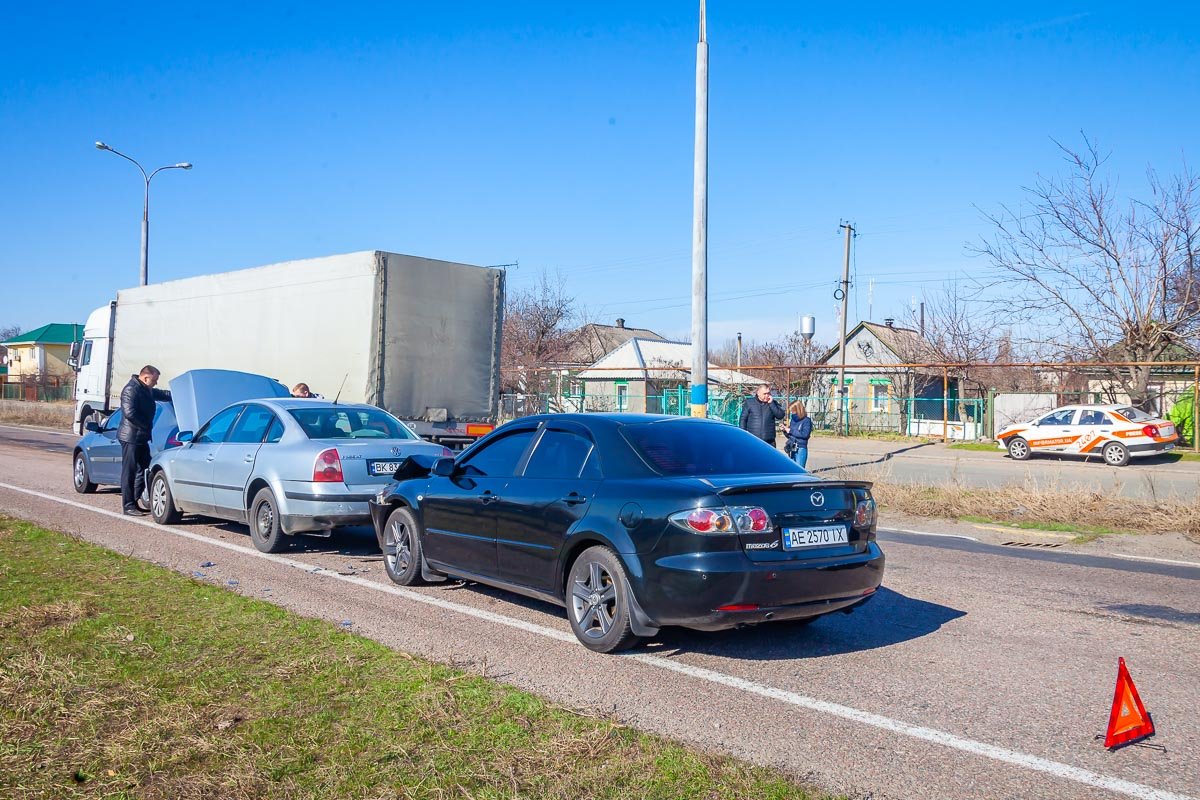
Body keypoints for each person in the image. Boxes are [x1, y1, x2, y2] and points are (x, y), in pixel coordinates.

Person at [118, 365, 172, 516]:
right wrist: (146, 425)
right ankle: (128, 505)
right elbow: (130, 413)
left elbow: (162, 394)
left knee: (145, 468)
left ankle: (134, 501)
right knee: (129, 471)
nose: (155, 383)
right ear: (146, 377)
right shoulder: (131, 389)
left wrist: (178, 394)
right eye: (154, 380)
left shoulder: (145, 389)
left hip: (141, 437)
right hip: (131, 437)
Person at [785, 399, 813, 469]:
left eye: (793, 411)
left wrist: (790, 430)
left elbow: (805, 434)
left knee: (799, 470)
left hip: (800, 448)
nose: (792, 413)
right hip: (792, 447)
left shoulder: (806, 420)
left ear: (798, 410)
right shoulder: (793, 420)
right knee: (792, 470)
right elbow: (791, 435)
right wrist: (785, 431)